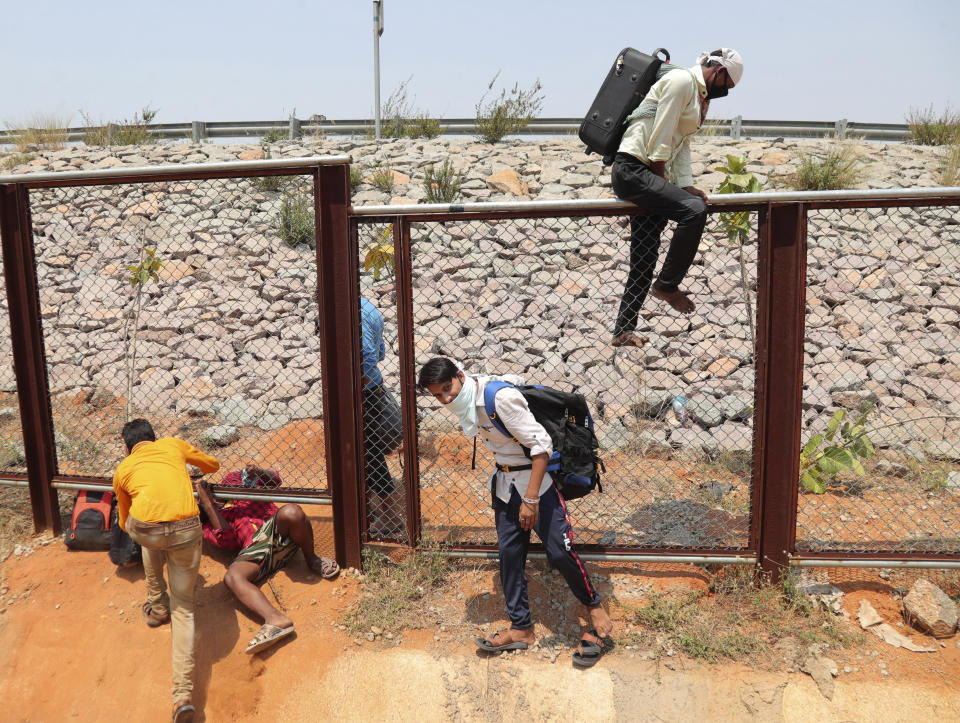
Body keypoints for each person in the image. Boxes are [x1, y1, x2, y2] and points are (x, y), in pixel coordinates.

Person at [417, 357, 614, 668]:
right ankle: (521, 629)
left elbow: (541, 447)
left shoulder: (500, 399)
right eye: (437, 395)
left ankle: (594, 606)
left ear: (460, 376)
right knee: (510, 555)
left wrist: (532, 499)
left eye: (448, 389)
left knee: (559, 551)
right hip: (506, 486)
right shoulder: (470, 401)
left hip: (537, 486)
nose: (445, 399)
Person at [610, 48, 744, 348]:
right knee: (694, 211)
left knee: (645, 256)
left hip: (652, 174)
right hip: (633, 169)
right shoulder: (682, 81)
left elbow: (680, 143)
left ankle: (623, 330)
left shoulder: (699, 96)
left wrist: (685, 186)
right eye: (728, 86)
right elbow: (662, 130)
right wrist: (662, 179)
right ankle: (668, 286)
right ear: (719, 73)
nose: (726, 92)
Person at [112, 418, 220, 723]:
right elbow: (212, 464)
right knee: (183, 607)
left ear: (127, 447)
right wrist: (189, 460)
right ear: (154, 438)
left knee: (147, 530)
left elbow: (122, 521)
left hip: (146, 531)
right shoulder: (172, 445)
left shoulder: (123, 470)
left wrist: (147, 528)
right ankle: (181, 696)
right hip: (187, 529)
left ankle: (157, 605)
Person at [193, 465, 340, 655]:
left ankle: (312, 560)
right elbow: (227, 540)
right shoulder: (208, 521)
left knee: (292, 512)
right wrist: (208, 505)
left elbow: (275, 481)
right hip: (256, 551)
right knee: (232, 577)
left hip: (279, 530)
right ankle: (275, 620)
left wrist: (259, 472)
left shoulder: (233, 481)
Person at [361, 296, 404, 537]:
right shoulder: (368, 307)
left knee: (369, 452)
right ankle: (367, 507)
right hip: (373, 388)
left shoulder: (353, 312)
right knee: (367, 450)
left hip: (363, 392)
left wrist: (357, 383)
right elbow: (379, 354)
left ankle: (389, 514)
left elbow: (367, 354)